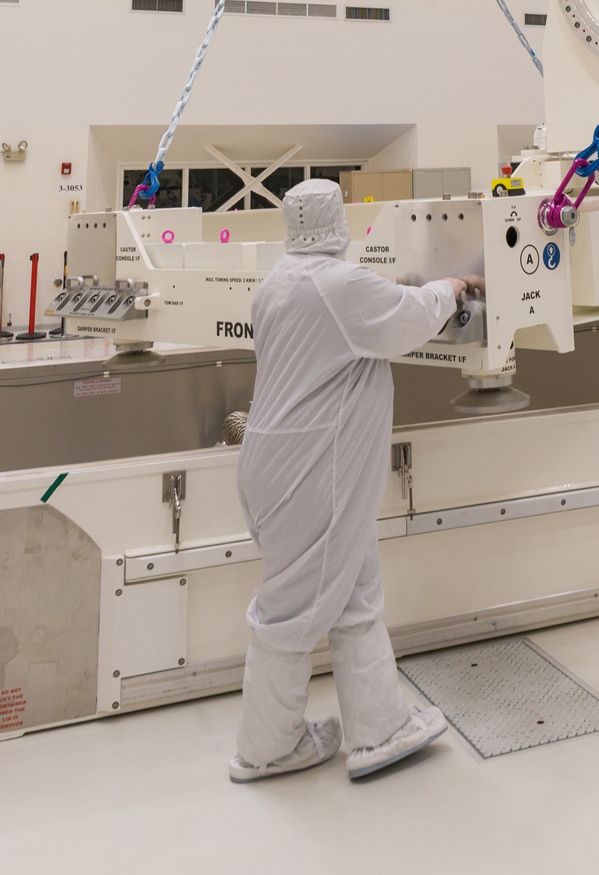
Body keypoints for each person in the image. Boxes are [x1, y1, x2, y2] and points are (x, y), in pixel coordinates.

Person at [231, 179, 478, 783]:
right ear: (337, 221)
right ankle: (264, 749)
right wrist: (451, 286)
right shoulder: (338, 286)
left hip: (282, 463)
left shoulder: (276, 284)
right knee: (290, 610)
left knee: (353, 590)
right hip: (315, 473)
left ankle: (378, 728)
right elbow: (409, 316)